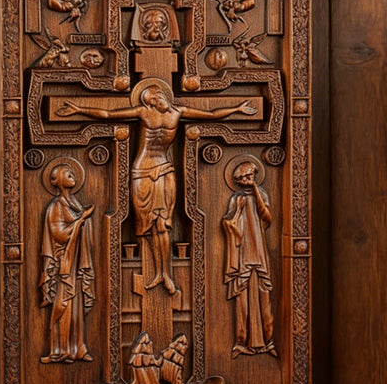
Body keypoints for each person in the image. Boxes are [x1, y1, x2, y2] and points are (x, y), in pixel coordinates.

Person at [57, 84, 255, 294]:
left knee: (163, 224)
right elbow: (107, 114)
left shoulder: (179, 112)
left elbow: (212, 114)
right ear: (148, 102)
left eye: (158, 96)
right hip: (142, 171)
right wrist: (78, 109)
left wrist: (237, 109)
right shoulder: (143, 112)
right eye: (152, 99)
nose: (158, 100)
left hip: (165, 169)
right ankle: (156, 271)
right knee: (147, 225)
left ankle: (164, 273)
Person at [39, 164, 95, 363]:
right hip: (64, 264)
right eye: (68, 174)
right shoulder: (56, 206)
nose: (73, 177)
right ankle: (60, 349)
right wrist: (81, 220)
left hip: (77, 261)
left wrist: (82, 219)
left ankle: (78, 348)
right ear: (59, 180)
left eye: (73, 174)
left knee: (76, 306)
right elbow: (59, 234)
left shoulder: (75, 203)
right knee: (64, 305)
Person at [222, 159, 276, 357]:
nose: (248, 180)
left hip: (259, 251)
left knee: (264, 298)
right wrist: (237, 211)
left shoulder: (261, 194)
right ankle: (241, 342)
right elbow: (228, 222)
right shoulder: (236, 199)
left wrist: (255, 191)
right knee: (242, 301)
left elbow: (267, 217)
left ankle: (268, 341)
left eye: (250, 176)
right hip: (243, 253)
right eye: (244, 178)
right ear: (238, 181)